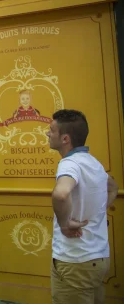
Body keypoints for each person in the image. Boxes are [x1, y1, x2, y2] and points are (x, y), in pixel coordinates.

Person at [47, 109, 119, 304]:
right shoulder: (93, 163)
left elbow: (61, 194)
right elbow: (113, 188)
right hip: (98, 258)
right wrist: (97, 211)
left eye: (52, 130)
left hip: (75, 260)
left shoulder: (69, 164)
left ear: (65, 139)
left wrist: (64, 224)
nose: (47, 133)